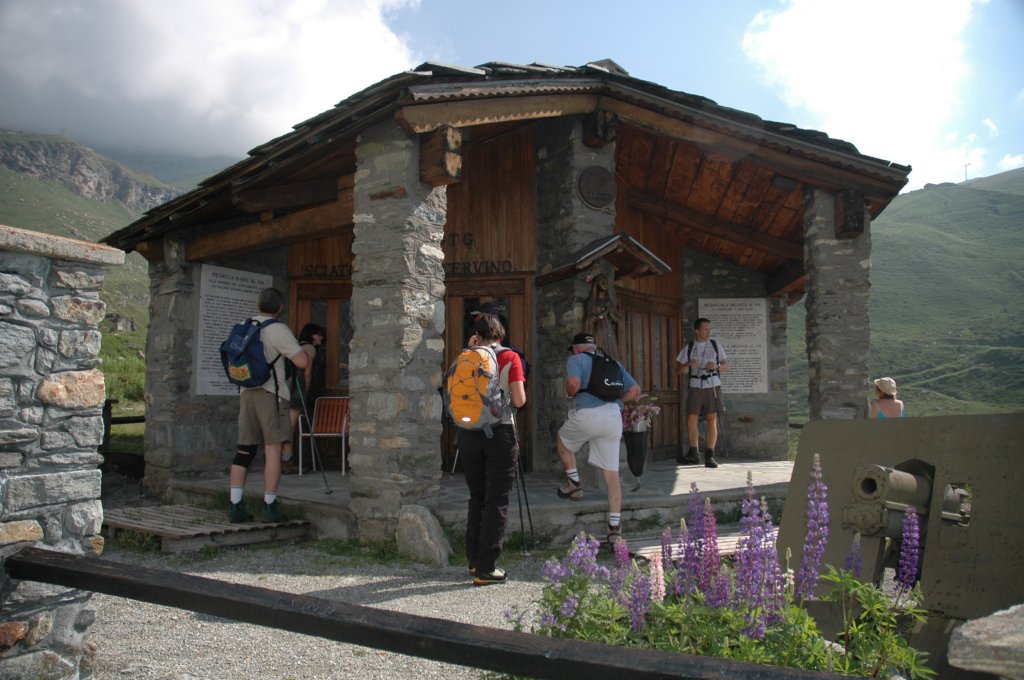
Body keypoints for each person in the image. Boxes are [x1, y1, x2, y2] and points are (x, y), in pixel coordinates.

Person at [228, 288, 309, 523]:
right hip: (271, 394)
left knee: (244, 449)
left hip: (246, 392)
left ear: (257, 306)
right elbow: (302, 361)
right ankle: (270, 505)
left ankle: (235, 505)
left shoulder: (244, 325)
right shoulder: (278, 329)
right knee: (272, 449)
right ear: (280, 308)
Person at [458, 313, 526, 586]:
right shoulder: (510, 358)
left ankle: (474, 561)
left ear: (477, 335)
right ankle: (488, 567)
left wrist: (470, 346)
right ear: (501, 334)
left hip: (468, 433)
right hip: (500, 433)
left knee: (477, 497)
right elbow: (519, 401)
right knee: (497, 499)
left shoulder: (466, 356)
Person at [556, 332, 641, 547]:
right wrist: (619, 404)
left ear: (576, 348)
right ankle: (615, 528)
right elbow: (635, 390)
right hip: (613, 417)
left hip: (588, 414)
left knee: (563, 440)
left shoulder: (576, 360)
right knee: (611, 475)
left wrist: (569, 394)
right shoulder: (613, 363)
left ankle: (574, 483)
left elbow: (574, 384)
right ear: (594, 347)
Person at [676, 318, 728, 468]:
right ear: (697, 330)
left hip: (713, 384)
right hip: (696, 386)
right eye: (705, 329)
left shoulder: (715, 345)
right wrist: (687, 364)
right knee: (691, 420)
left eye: (709, 329)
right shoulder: (690, 347)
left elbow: (726, 366)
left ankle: (710, 455)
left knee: (712, 419)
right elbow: (678, 371)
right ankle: (694, 454)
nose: (708, 332)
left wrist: (716, 366)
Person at [281, 323, 325, 474]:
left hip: (286, 389)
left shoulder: (296, 346)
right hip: (297, 391)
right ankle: (285, 461)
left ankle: (286, 459)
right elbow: (307, 371)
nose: (321, 337)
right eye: (318, 334)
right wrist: (305, 391)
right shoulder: (309, 349)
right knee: (290, 426)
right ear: (312, 335)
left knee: (288, 425)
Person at [585, 274, 620, 360]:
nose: (604, 283)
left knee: (611, 356)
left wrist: (611, 315)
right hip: (598, 332)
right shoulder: (592, 302)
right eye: (601, 281)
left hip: (609, 333)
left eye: (606, 282)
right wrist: (600, 316)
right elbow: (589, 320)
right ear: (596, 284)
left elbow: (617, 320)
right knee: (599, 354)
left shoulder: (609, 302)